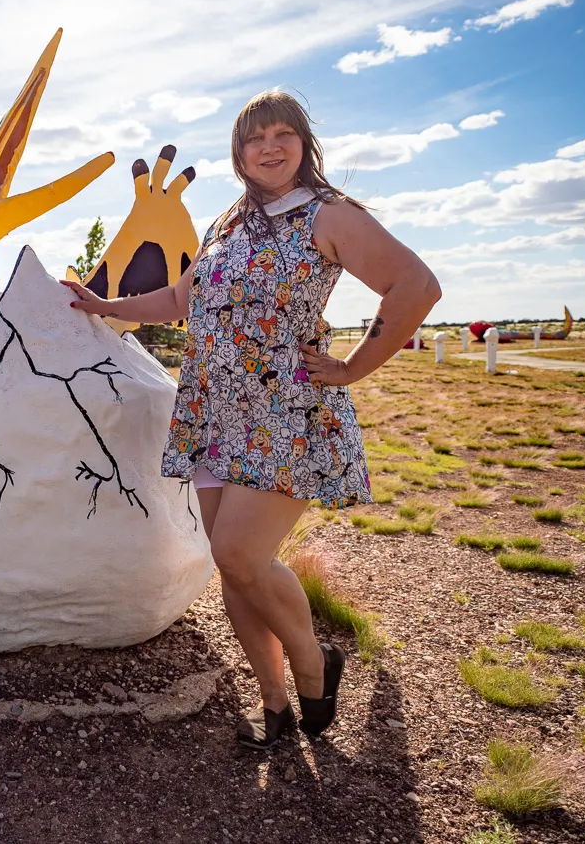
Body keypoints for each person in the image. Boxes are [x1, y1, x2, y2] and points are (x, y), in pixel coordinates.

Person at [63, 90, 441, 749]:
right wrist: (108, 306)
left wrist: (353, 366)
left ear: (303, 143)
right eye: (253, 138)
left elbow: (415, 284)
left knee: (241, 553)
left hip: (283, 410)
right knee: (231, 563)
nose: (268, 147)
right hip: (214, 410)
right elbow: (183, 297)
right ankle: (272, 699)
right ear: (238, 152)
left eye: (282, 134)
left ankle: (316, 665)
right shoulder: (229, 221)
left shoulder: (328, 214)